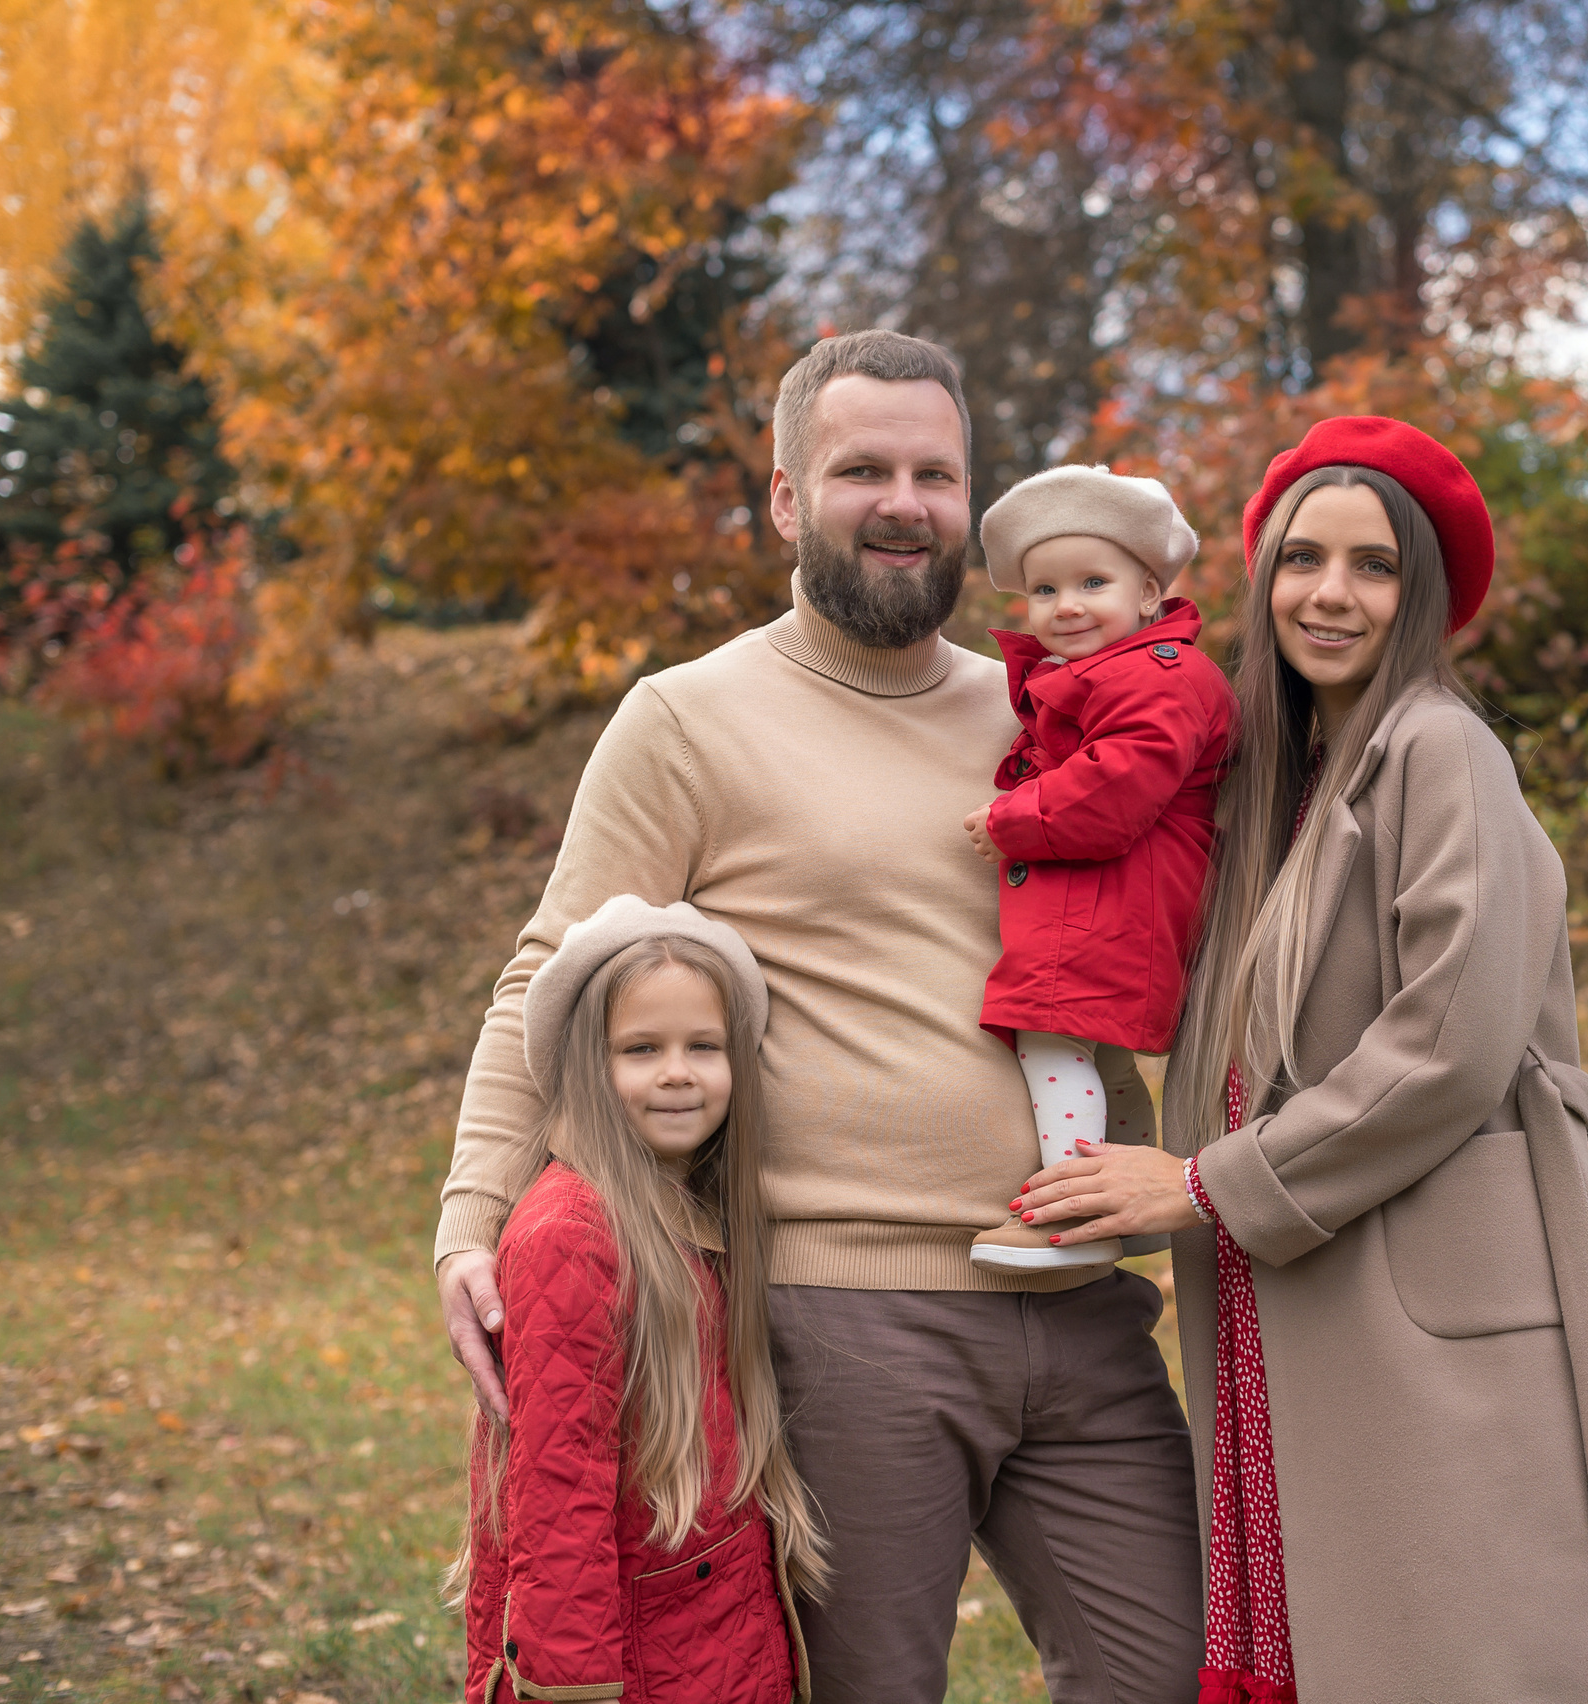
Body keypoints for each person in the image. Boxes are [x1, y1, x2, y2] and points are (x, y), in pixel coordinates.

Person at [434, 330, 1204, 1704]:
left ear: (972, 503)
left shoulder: (1050, 712)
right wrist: (471, 1216)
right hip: (841, 1321)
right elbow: (547, 970)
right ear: (787, 497)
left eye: (935, 473)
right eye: (862, 469)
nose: (903, 502)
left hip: (1083, 1300)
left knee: (1171, 1675)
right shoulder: (689, 720)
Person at [1008, 417, 1588, 1704]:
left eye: (1373, 566)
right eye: (1302, 559)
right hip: (1292, 1289)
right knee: (1328, 1633)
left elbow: (1451, 1039)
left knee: (1466, 1633)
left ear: (1418, 595)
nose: (1330, 594)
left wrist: (1210, 1187)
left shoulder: (1442, 752)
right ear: (1261, 575)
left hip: (1425, 1278)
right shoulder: (1271, 774)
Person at [450, 896, 820, 1704]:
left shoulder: (697, 1209)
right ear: (589, 1064)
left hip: (712, 1636)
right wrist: (570, 1689)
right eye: (642, 1048)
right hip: (628, 1664)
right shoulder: (570, 1234)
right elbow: (557, 1495)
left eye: (704, 1047)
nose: (678, 1071)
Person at [958, 463, 1237, 1274]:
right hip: (1108, 902)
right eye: (1044, 591)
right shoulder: (1109, 675)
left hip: (1115, 907)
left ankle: (1067, 1212)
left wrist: (1013, 822)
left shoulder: (1161, 677)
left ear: (1150, 592)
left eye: (1092, 582)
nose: (1067, 605)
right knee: (1082, 1052)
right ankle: (1118, 1204)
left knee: (1051, 1043)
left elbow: (1119, 785)